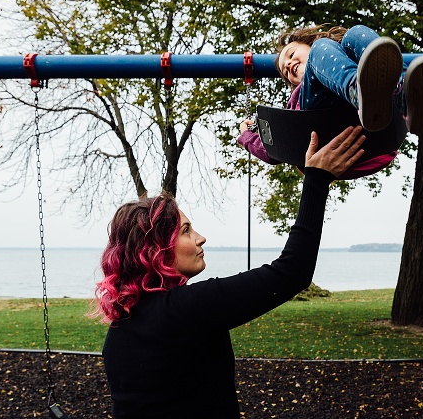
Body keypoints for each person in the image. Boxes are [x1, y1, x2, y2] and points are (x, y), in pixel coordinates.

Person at [94, 126, 366, 419]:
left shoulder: (119, 329)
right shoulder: (185, 310)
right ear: (155, 249)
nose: (201, 238)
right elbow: (292, 271)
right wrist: (317, 179)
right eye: (186, 231)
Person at [238, 25, 423, 176]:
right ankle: (359, 92)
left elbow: (326, 51)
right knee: (324, 47)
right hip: (319, 121)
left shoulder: (337, 56)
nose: (289, 65)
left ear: (307, 45)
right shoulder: (298, 101)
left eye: (292, 54)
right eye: (286, 71)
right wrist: (247, 135)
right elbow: (276, 149)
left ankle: (405, 96)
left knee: (356, 33)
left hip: (376, 134)